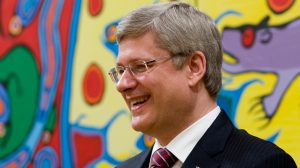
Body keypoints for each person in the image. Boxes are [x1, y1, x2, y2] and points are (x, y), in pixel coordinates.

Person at [108, 2, 297, 168]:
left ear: (194, 67)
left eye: (140, 66)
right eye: (121, 71)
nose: (122, 84)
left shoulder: (264, 163)